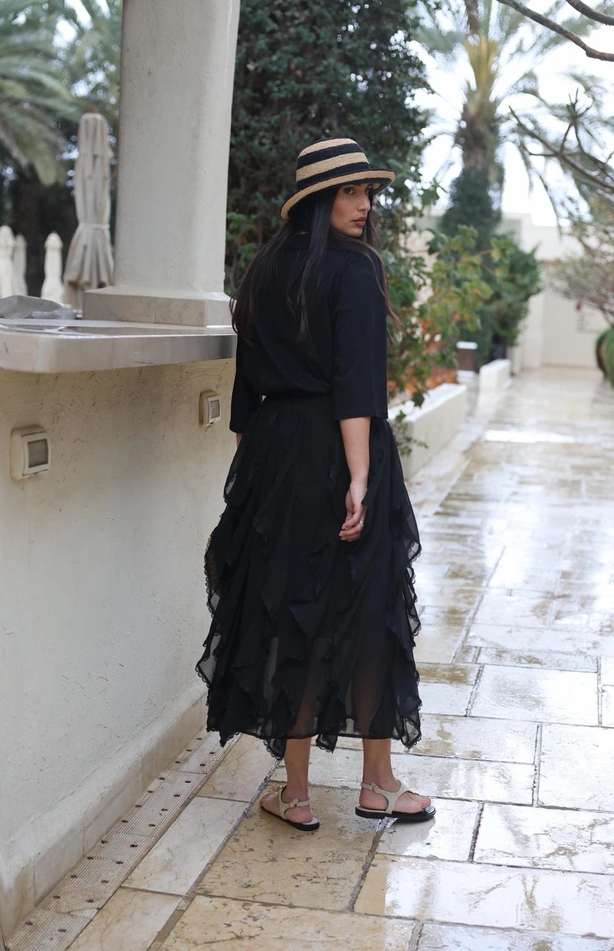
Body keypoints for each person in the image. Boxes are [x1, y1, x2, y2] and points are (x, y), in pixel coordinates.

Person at [196, 138, 434, 831]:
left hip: (275, 453)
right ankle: (378, 784)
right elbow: (356, 384)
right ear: (319, 199)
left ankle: (295, 795)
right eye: (351, 192)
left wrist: (258, 476)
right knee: (370, 605)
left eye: (368, 193)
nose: (364, 206)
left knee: (290, 610)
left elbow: (246, 394)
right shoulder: (356, 268)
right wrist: (360, 476)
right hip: (341, 446)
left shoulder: (263, 270)